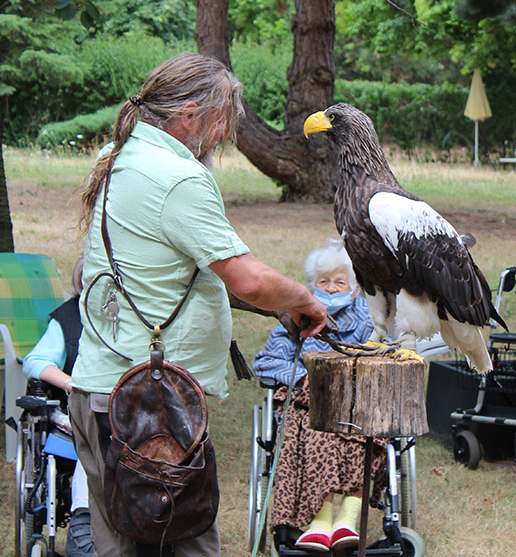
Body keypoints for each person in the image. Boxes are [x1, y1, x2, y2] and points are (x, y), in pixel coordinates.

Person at [68, 53, 328, 557]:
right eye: (224, 117)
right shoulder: (178, 177)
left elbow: (174, 272)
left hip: (107, 390)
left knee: (123, 546)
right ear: (189, 114)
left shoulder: (119, 154)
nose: (226, 132)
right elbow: (248, 279)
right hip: (146, 404)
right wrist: (305, 299)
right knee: (180, 548)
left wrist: (280, 310)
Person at [252, 242, 384, 553]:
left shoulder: (369, 320)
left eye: (340, 281)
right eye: (323, 281)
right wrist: (302, 377)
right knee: (313, 431)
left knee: (367, 432)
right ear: (311, 286)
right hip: (305, 402)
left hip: (356, 401)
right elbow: (266, 362)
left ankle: (347, 521)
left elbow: (383, 355)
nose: (331, 287)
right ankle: (321, 522)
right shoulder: (297, 318)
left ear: (354, 289)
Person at [21, 257, 93, 557]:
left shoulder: (137, 316)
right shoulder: (68, 317)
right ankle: (83, 527)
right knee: (95, 441)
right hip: (79, 410)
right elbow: (35, 362)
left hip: (131, 411)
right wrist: (69, 383)